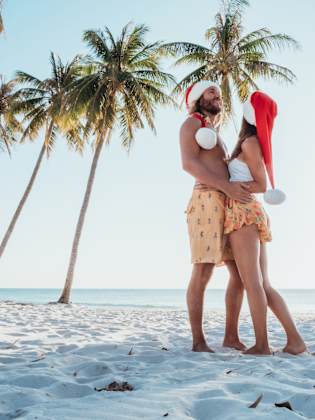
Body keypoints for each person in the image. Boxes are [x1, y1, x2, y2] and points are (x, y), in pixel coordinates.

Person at [224, 91, 306, 355]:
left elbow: (260, 183)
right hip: (248, 211)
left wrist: (229, 186)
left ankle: (262, 344)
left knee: (254, 283)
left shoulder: (249, 143)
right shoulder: (249, 142)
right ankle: (295, 342)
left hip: (243, 212)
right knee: (263, 283)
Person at [180, 80, 252, 353]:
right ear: (198, 98)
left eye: (219, 93)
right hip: (206, 200)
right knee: (203, 269)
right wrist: (226, 187)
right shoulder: (191, 124)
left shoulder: (213, 130)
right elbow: (188, 164)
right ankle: (199, 341)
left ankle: (230, 337)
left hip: (227, 200)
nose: (216, 96)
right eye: (210, 92)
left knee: (240, 273)